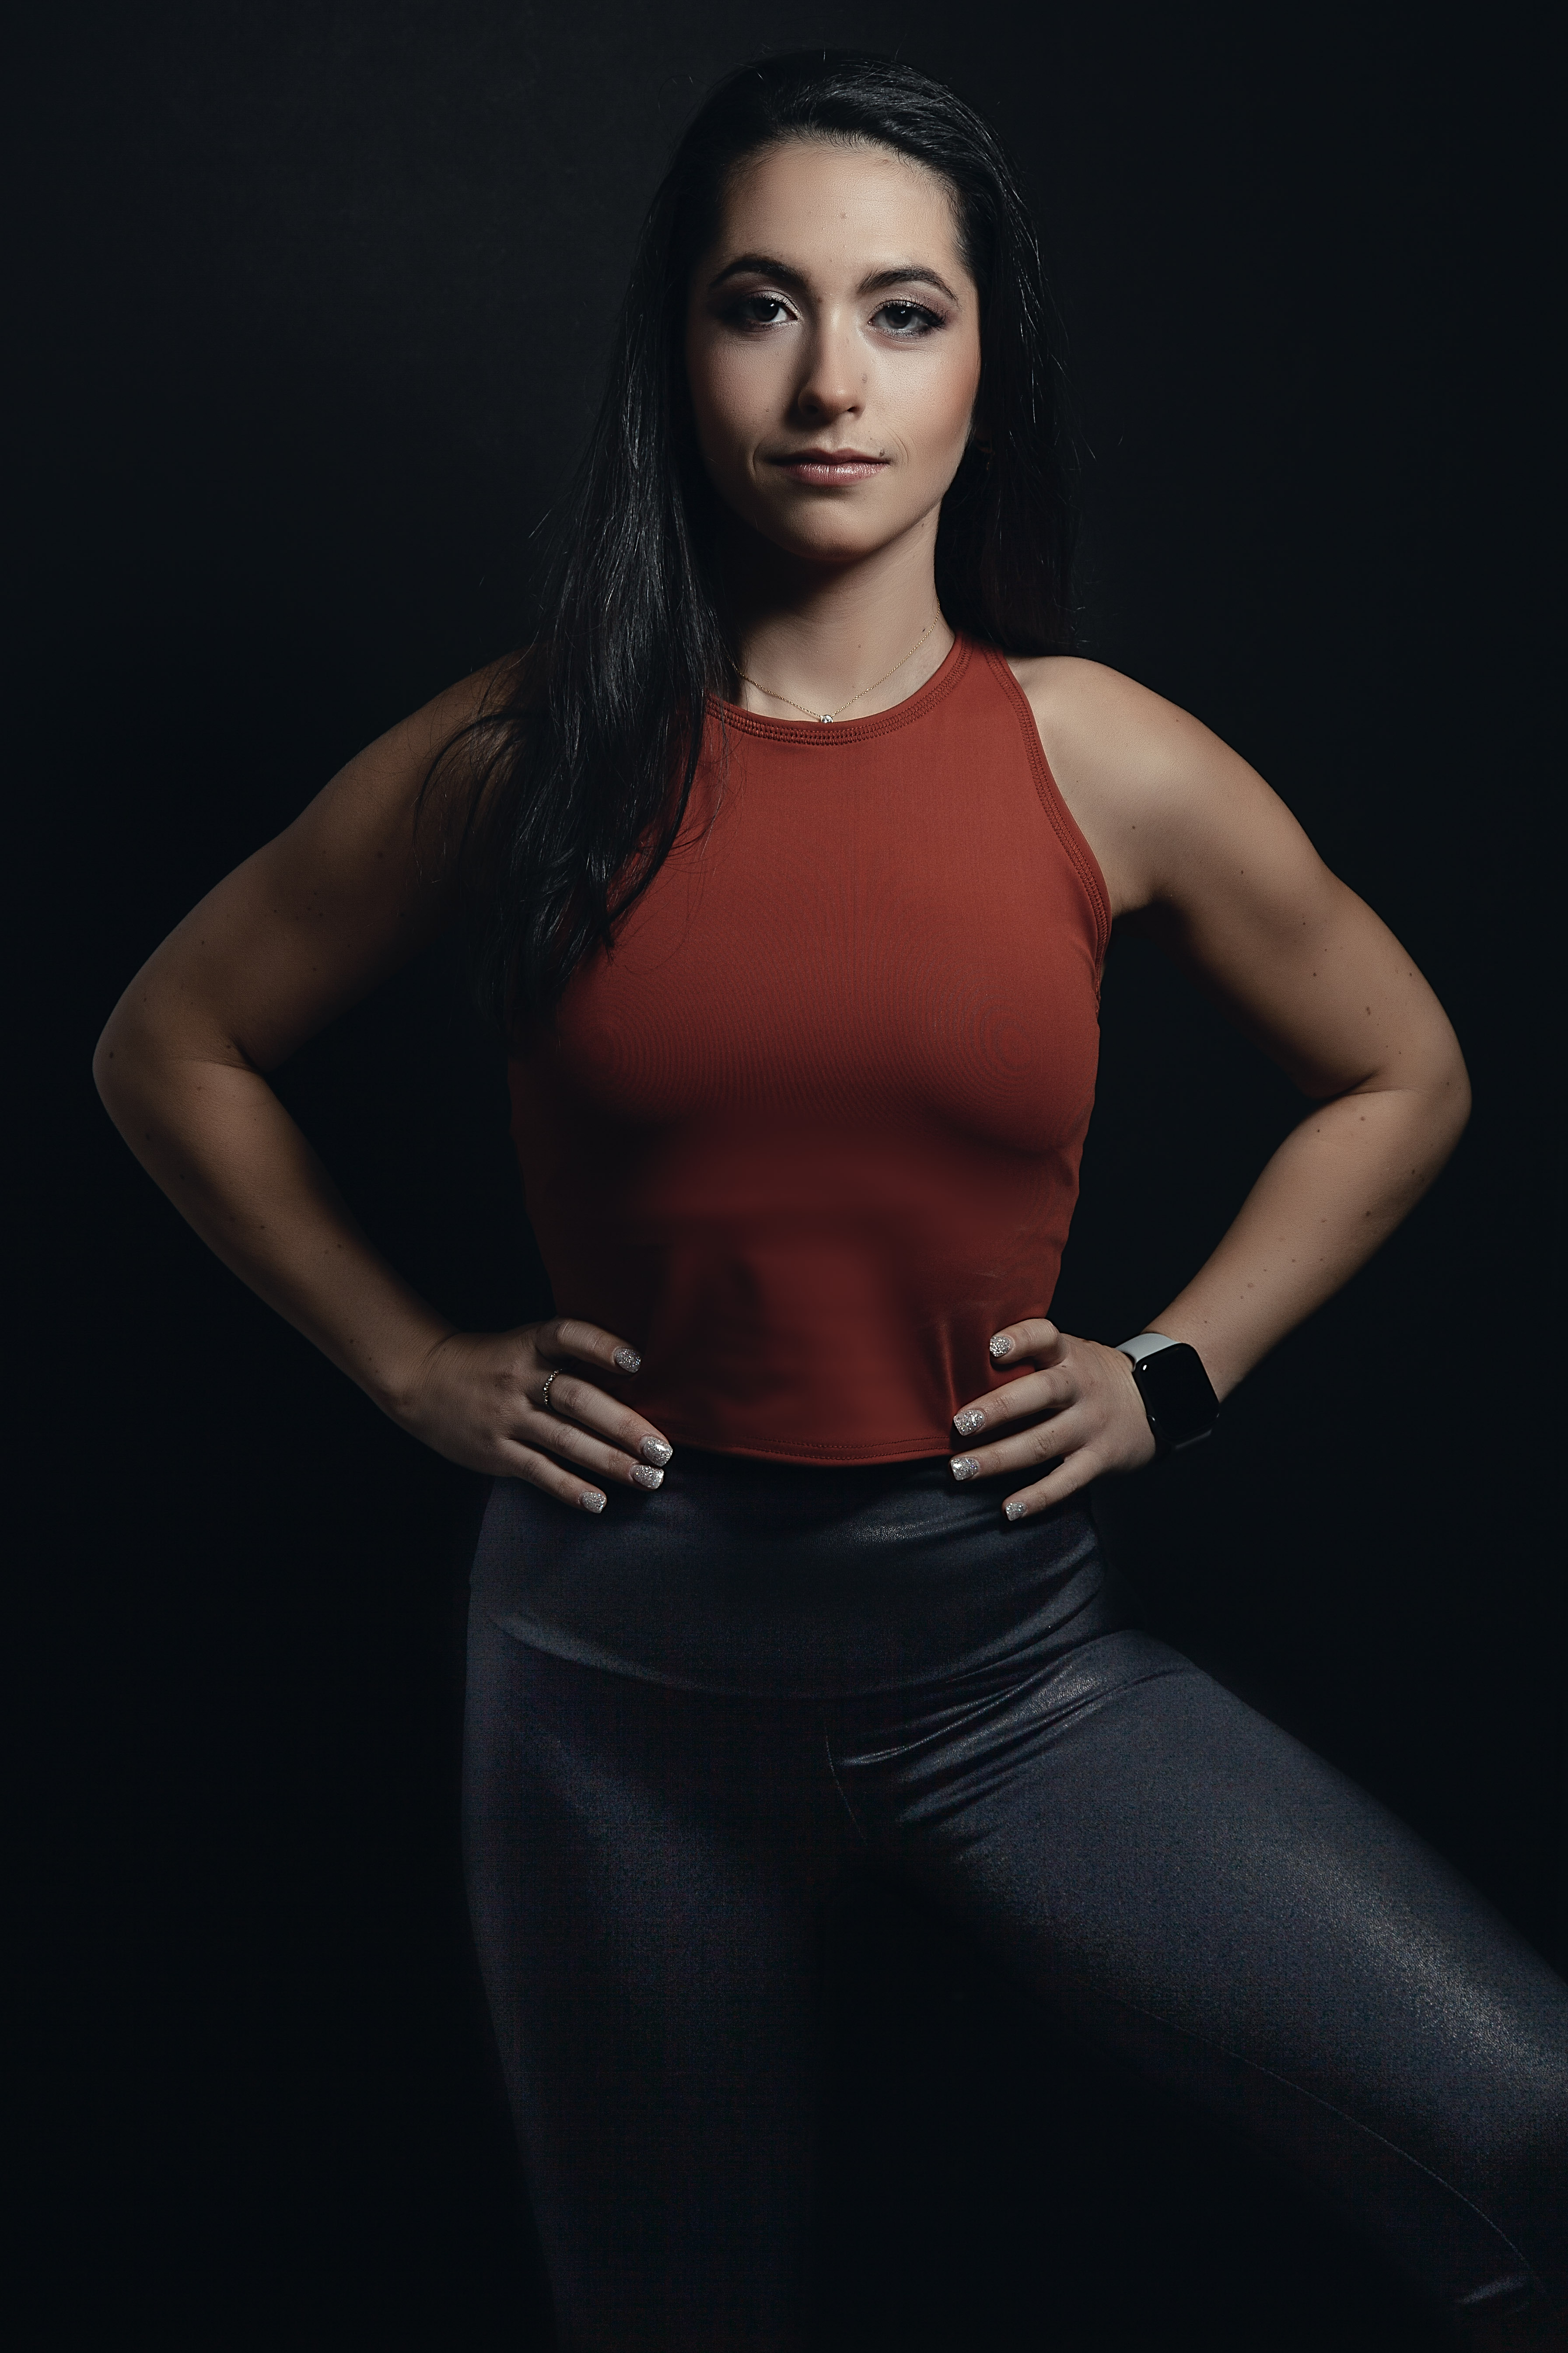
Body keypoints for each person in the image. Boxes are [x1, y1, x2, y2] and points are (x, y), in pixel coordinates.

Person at [94, 49, 1565, 2353]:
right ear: (678, 351)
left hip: (1012, 1662)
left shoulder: (1103, 756)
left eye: (902, 311)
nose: (827, 382)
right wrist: (409, 1359)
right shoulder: (529, 746)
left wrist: (1178, 1368)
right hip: (610, 1684)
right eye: (760, 304)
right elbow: (170, 1039)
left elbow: (1404, 1073)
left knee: (1532, 2125)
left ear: (989, 362)